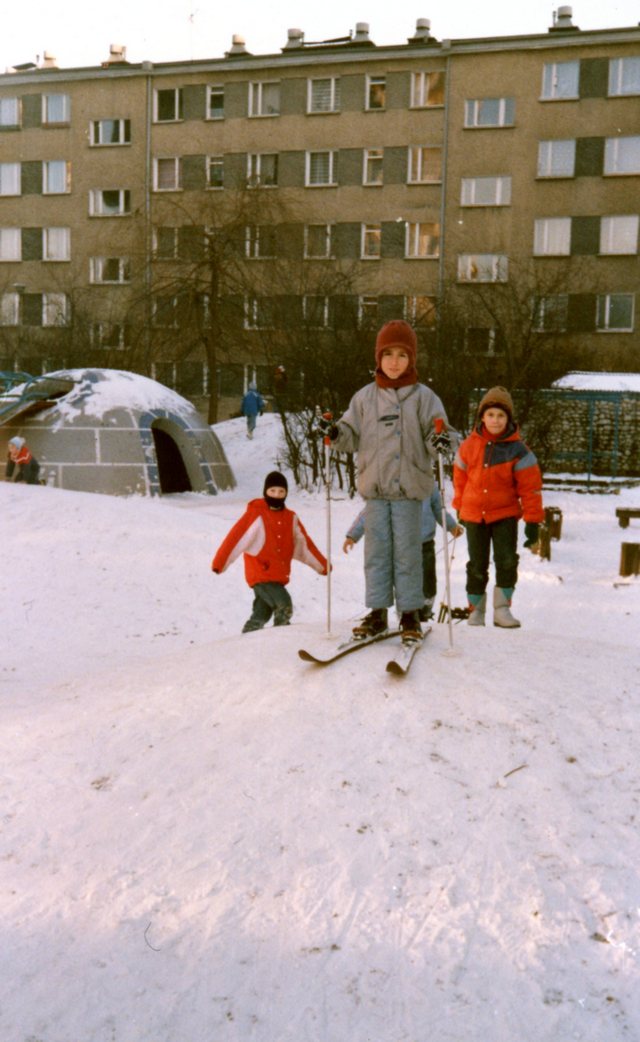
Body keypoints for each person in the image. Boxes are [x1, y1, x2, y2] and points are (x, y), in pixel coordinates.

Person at [319, 318, 452, 643]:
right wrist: (335, 433)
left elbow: (437, 430)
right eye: (388, 354)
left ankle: (410, 614)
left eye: (402, 355)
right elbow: (350, 433)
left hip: (409, 493)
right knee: (376, 555)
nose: (394, 362)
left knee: (407, 554)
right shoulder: (364, 398)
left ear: (412, 359)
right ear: (378, 358)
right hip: (376, 492)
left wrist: (440, 440)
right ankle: (377, 612)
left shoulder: (424, 398)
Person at [452, 386, 544, 629]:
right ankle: (476, 610)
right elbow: (459, 478)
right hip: (474, 516)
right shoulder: (469, 446)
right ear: (482, 417)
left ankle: (502, 610)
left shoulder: (518, 450)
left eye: (501, 416)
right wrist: (460, 506)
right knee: (476, 565)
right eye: (491, 414)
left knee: (506, 561)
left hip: (504, 515)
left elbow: (531, 489)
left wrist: (533, 521)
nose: (495, 420)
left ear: (508, 420)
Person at [211, 470, 328, 633]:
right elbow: (234, 539)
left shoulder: (291, 518)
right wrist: (220, 563)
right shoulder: (255, 514)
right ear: (265, 491)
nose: (277, 495)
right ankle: (281, 635)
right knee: (284, 604)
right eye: (272, 491)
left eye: (281, 492)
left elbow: (304, 544)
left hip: (279, 575)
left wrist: (322, 565)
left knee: (262, 611)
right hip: (261, 574)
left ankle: (249, 634)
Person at [344, 490, 463, 622]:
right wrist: (353, 535)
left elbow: (439, 509)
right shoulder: (393, 484)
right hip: (402, 544)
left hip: (424, 543)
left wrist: (451, 526)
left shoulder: (428, 485)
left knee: (428, 578)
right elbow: (370, 512)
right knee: (404, 579)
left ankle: (425, 608)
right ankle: (406, 612)